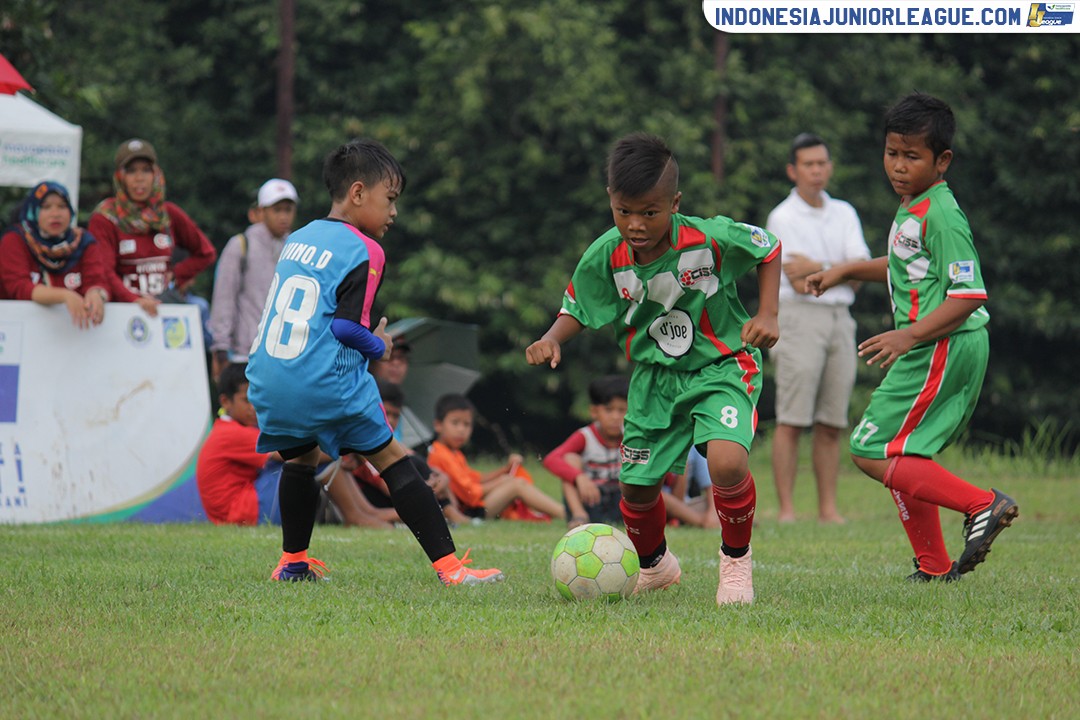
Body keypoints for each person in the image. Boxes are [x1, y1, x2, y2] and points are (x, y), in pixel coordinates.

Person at [526, 132, 781, 605]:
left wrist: (767, 314)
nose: (636, 224)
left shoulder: (708, 237)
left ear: (674, 203)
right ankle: (657, 566)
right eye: (624, 211)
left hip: (723, 367)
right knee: (636, 487)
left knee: (726, 461)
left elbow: (767, 247)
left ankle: (736, 566)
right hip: (653, 381)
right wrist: (549, 339)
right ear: (610, 200)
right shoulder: (606, 253)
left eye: (650, 212)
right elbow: (578, 307)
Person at [244, 138, 503, 585]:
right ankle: (451, 569)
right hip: (322, 379)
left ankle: (292, 564)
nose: (394, 212)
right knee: (393, 460)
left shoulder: (298, 238)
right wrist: (379, 345)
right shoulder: (365, 249)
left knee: (301, 461)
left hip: (269, 378)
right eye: (391, 199)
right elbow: (345, 329)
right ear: (358, 193)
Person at [805, 93, 1018, 582]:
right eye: (892, 153)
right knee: (903, 454)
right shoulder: (914, 206)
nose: (898, 166)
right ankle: (934, 565)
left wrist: (909, 336)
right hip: (936, 343)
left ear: (942, 160)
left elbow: (968, 295)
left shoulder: (942, 214)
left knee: (870, 449)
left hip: (940, 344)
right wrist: (845, 270)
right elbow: (907, 266)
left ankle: (983, 504)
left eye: (911, 156)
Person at [766, 133, 872, 524]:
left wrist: (818, 264)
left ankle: (828, 509)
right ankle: (787, 510)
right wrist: (840, 268)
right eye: (808, 164)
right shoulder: (782, 216)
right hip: (798, 317)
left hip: (840, 319)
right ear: (793, 170)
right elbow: (796, 281)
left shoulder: (844, 211)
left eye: (822, 163)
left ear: (830, 166)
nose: (817, 170)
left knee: (832, 421)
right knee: (792, 419)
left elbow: (861, 275)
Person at [197, 363, 382, 527]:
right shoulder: (232, 433)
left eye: (257, 398)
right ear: (225, 402)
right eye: (247, 400)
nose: (254, 407)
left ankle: (366, 512)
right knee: (305, 458)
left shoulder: (230, 428)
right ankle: (358, 515)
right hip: (245, 513)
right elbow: (291, 454)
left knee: (312, 455)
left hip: (242, 510)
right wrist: (343, 452)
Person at [89, 138, 217, 318]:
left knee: (201, 308)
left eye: (146, 170)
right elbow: (103, 270)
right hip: (121, 313)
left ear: (156, 174)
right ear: (120, 177)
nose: (139, 178)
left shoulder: (167, 213)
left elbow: (206, 252)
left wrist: (176, 276)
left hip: (163, 310)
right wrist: (134, 299)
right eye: (131, 171)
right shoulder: (106, 217)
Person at [342, 379, 470, 526]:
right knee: (409, 466)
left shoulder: (392, 444)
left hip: (398, 493)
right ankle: (443, 513)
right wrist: (425, 488)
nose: (389, 420)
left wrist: (442, 479)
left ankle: (448, 512)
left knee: (414, 462)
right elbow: (389, 485)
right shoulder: (365, 441)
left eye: (395, 416)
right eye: (385, 412)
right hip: (375, 498)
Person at [209, 178, 299, 381]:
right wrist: (221, 347)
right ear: (261, 211)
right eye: (277, 210)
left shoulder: (297, 248)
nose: (283, 216)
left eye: (288, 209)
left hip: (285, 355)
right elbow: (224, 298)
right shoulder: (241, 245)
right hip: (244, 354)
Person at [427, 393, 566, 522]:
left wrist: (506, 470)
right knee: (516, 485)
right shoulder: (440, 455)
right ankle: (565, 513)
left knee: (514, 481)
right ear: (438, 425)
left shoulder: (454, 453)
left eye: (466, 424)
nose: (461, 430)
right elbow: (470, 493)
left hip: (474, 505)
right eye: (455, 423)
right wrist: (502, 481)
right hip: (468, 512)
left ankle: (561, 512)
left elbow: (476, 478)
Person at [0, 181, 110, 328]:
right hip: (19, 333)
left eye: (62, 206)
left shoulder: (83, 241)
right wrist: (64, 296)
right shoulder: (15, 240)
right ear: (33, 211)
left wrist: (96, 294)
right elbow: (19, 288)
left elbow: (97, 280)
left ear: (71, 210)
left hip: (75, 338)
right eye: (46, 207)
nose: (55, 214)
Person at [543, 375, 628, 528]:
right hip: (590, 501)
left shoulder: (631, 438)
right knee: (570, 459)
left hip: (621, 502)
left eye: (622, 410)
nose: (616, 417)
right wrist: (579, 477)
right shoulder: (585, 436)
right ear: (594, 412)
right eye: (609, 410)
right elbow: (551, 459)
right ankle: (578, 516)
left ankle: (678, 516)